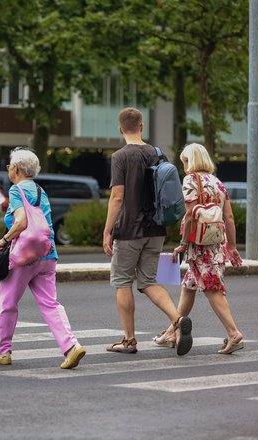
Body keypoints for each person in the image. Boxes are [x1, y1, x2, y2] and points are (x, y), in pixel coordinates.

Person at [0, 148, 86, 369]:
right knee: (50, 303)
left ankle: (2, 352)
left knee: (6, 303)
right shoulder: (40, 190)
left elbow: (21, 222)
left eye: (10, 165)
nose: (9, 169)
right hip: (47, 254)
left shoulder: (16, 190)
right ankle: (71, 346)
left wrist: (4, 239)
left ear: (16, 169)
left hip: (23, 256)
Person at [102, 107, 193, 356]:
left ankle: (129, 341)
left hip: (130, 229)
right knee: (148, 281)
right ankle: (177, 319)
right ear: (142, 126)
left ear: (120, 129)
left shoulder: (120, 156)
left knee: (122, 282)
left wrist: (107, 230)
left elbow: (117, 196)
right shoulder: (157, 154)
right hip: (156, 228)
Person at [153, 143, 245, 354]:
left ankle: (234, 333)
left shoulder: (190, 181)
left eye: (185, 161)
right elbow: (229, 217)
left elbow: (190, 215)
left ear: (190, 161)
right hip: (217, 243)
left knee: (212, 288)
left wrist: (183, 244)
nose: (184, 165)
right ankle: (170, 333)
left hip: (200, 246)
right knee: (189, 286)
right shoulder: (217, 182)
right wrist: (232, 246)